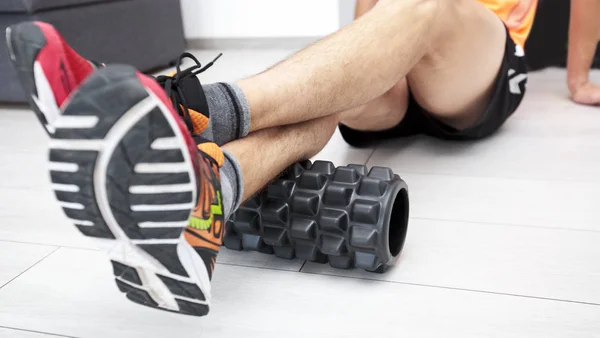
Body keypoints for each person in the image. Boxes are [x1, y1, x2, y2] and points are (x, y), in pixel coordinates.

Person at [6, 0, 599, 316]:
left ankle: (184, 104)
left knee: (428, 4)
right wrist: (363, 64)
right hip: (400, 69)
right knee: (332, 84)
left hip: (477, 67)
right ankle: (209, 196)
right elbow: (371, 25)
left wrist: (577, 77)